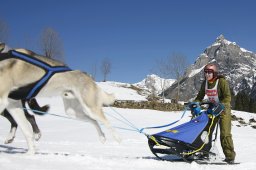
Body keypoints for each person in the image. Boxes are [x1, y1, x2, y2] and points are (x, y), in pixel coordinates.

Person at [194, 63, 236, 163]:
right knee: (206, 131)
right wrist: (196, 104)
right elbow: (199, 97)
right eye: (206, 72)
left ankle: (230, 156)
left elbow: (227, 97)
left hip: (224, 109)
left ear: (215, 73)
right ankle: (204, 152)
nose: (207, 74)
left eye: (210, 72)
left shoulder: (221, 81)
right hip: (212, 109)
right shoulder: (205, 83)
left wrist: (221, 106)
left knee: (225, 133)